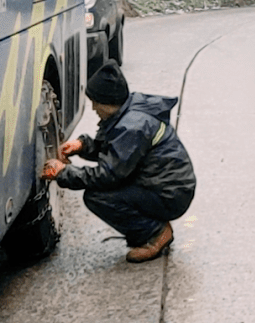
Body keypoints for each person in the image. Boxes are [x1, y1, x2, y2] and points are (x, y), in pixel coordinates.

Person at [42, 60, 195, 263]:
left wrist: (63, 173)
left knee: (98, 197)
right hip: (166, 186)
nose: (94, 108)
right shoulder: (127, 112)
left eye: (96, 102)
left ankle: (155, 234)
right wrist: (83, 146)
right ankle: (152, 226)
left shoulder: (131, 127)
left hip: (170, 193)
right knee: (106, 192)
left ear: (109, 102)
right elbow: (116, 152)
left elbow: (108, 175)